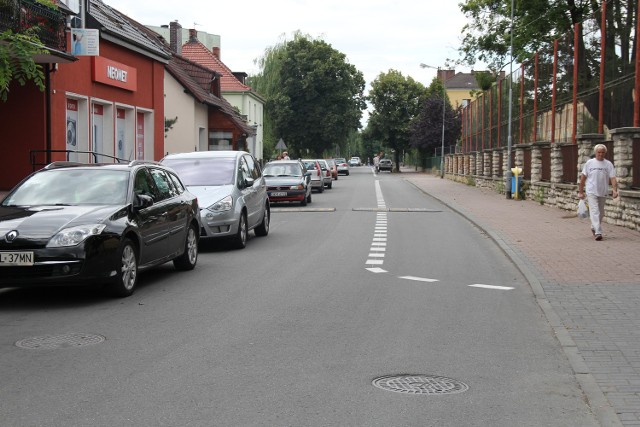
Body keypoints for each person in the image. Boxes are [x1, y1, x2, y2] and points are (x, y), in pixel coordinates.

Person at [578, 144, 618, 241]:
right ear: (595, 153)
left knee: (601, 212)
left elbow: (613, 178)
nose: (600, 154)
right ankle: (598, 232)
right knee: (594, 211)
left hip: (603, 191)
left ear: (605, 153)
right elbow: (583, 178)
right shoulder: (589, 163)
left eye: (602, 152)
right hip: (591, 191)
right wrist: (581, 191)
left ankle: (594, 226)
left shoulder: (608, 164)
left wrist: (614, 190)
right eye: (599, 152)